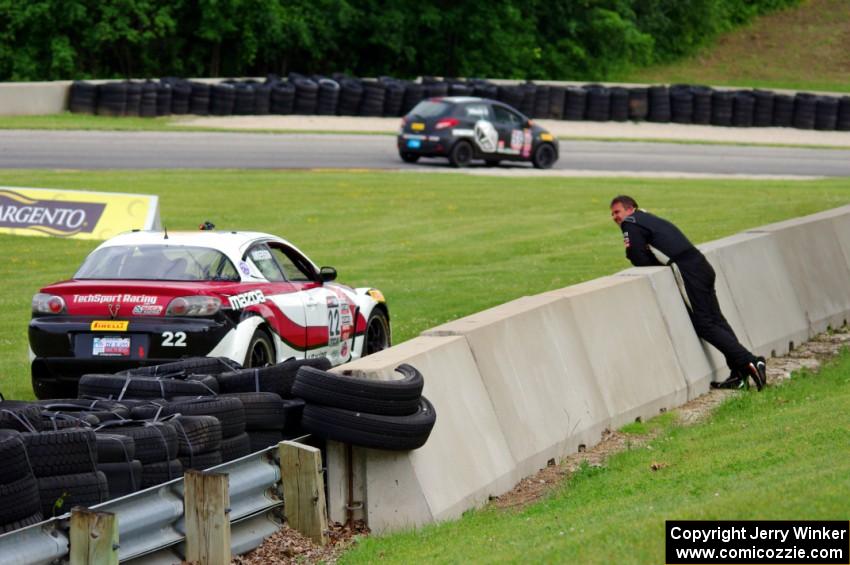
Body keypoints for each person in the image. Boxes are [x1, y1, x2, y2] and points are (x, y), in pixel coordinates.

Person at [609, 195, 767, 390]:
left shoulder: (631, 223)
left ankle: (751, 361)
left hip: (688, 271)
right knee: (716, 320)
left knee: (705, 324)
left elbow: (637, 256)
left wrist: (654, 264)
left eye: (617, 212)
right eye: (613, 214)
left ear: (630, 209)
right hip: (701, 264)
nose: (615, 217)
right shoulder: (649, 218)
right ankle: (739, 374)